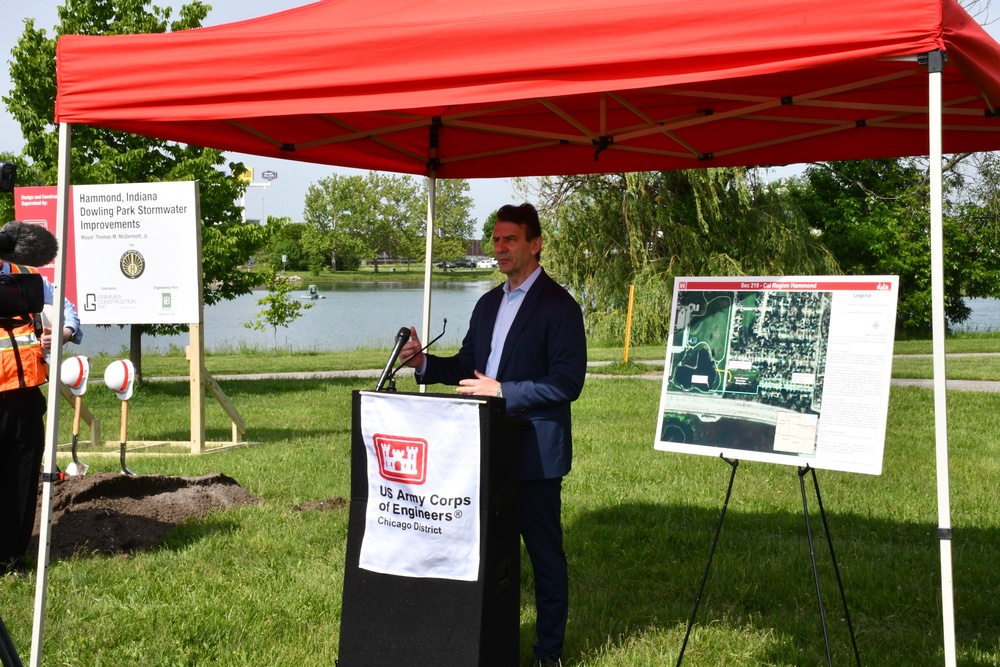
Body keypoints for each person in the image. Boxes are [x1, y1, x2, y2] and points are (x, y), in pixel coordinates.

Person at [401, 203, 586, 667]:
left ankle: (549, 653)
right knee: (483, 555)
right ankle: (482, 642)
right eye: (496, 240)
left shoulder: (560, 306)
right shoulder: (487, 304)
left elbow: (567, 382)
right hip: (481, 449)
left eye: (509, 239)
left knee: (543, 556)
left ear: (535, 244)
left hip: (534, 456)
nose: (499, 248)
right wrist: (423, 363)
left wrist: (503, 390)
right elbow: (468, 367)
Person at [0, 254, 82, 578]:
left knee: (21, 483)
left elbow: (67, 309)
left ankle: (11, 560)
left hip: (24, 401)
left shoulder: (28, 278)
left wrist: (62, 332)